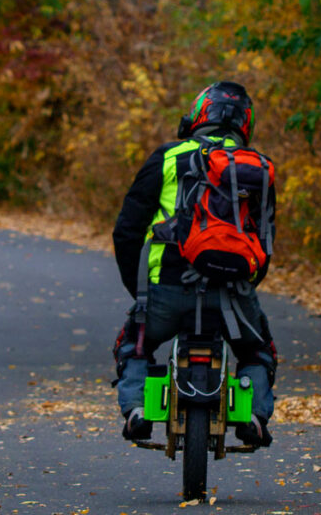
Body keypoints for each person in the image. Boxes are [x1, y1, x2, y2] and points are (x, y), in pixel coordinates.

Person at [111, 81, 277, 446]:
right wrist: (244, 283)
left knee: (133, 345)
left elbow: (126, 232)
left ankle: (137, 408)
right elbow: (266, 243)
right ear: (245, 124)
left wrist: (141, 293)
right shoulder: (255, 168)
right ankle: (253, 415)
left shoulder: (168, 157)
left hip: (166, 291)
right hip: (232, 298)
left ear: (198, 114)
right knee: (258, 351)